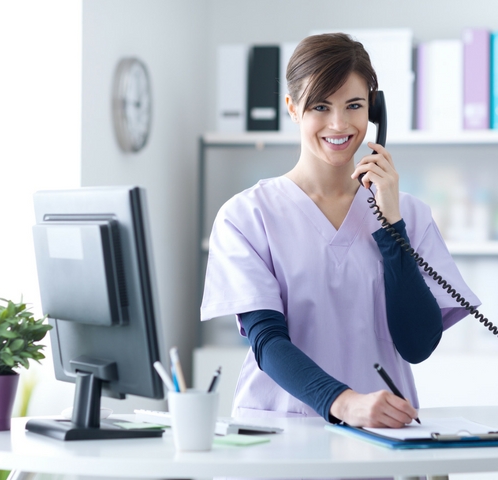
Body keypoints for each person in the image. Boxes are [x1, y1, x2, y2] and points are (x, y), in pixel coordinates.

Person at [201, 33, 480, 428]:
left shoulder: (408, 216)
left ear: (374, 110)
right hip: (282, 432)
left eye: (354, 105)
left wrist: (391, 227)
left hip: (383, 434)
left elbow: (416, 345)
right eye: (320, 106)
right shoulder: (246, 216)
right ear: (293, 109)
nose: (339, 123)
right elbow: (266, 340)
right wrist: (344, 403)